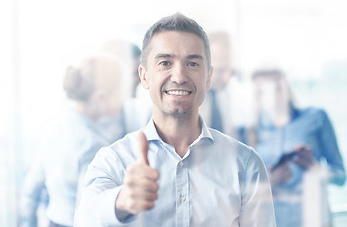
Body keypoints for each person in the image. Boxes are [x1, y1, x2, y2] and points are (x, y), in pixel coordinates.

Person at [74, 13, 276, 227]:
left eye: (192, 64)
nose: (179, 76)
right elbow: (85, 217)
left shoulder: (245, 164)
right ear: (144, 76)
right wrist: (122, 201)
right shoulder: (114, 160)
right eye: (165, 62)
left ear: (208, 77)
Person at [20, 53, 126, 227]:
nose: (123, 101)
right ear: (101, 97)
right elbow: (87, 214)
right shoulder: (92, 144)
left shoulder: (55, 125)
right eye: (119, 94)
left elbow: (32, 186)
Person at [251, 68, 346, 227]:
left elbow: (341, 176)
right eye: (264, 91)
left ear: (286, 87)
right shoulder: (252, 131)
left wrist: (315, 169)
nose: (273, 96)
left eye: (277, 88)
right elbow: (244, 192)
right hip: (274, 221)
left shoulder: (316, 117)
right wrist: (272, 179)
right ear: (257, 96)